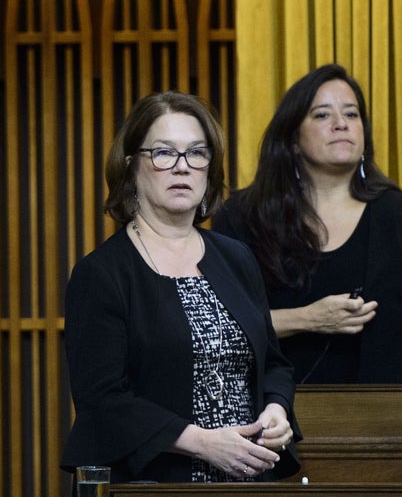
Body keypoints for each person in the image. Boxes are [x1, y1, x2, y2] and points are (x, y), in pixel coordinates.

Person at [60, 91, 301, 485]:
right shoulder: (101, 274)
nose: (182, 167)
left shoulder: (237, 259)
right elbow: (102, 403)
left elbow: (273, 363)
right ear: (130, 166)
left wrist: (276, 410)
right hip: (156, 483)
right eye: (163, 153)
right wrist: (203, 443)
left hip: (249, 482)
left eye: (196, 153)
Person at [213, 64, 402, 385]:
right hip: (277, 418)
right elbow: (214, 324)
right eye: (322, 115)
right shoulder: (242, 218)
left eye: (351, 115)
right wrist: (308, 318)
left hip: (393, 424)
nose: (341, 125)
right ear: (292, 139)